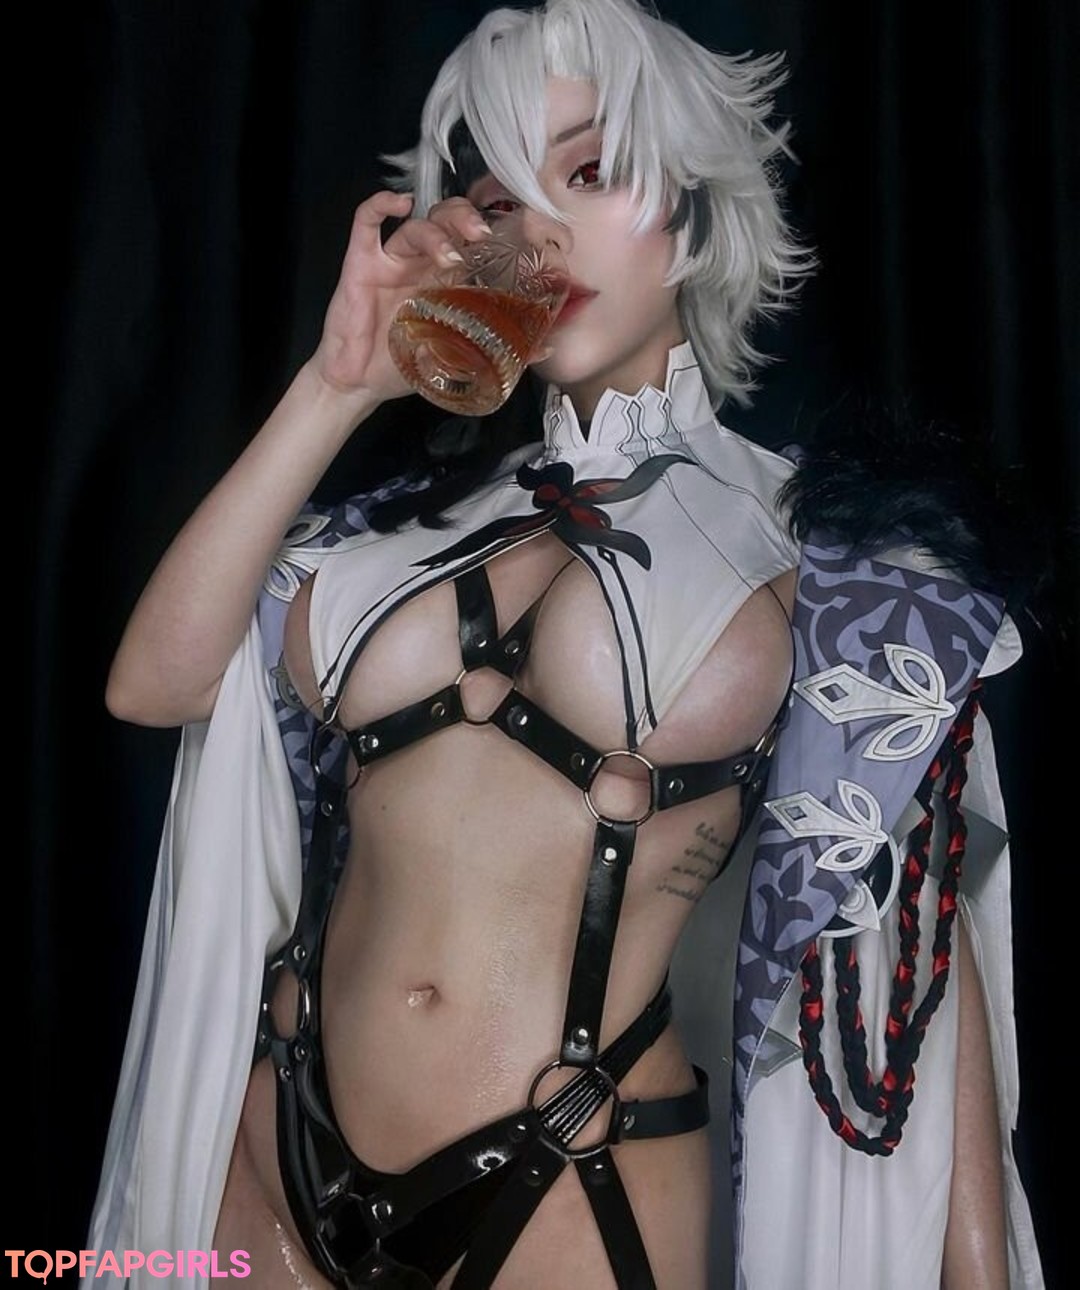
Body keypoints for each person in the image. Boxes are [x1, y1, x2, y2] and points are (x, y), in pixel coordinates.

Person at [88, 1, 1043, 1286]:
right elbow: (153, 686)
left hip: (575, 1195)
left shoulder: (835, 566)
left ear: (692, 208)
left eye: (590, 174)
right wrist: (339, 387)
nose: (540, 230)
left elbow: (914, 968)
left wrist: (982, 1270)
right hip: (265, 1168)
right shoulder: (391, 536)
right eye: (498, 203)